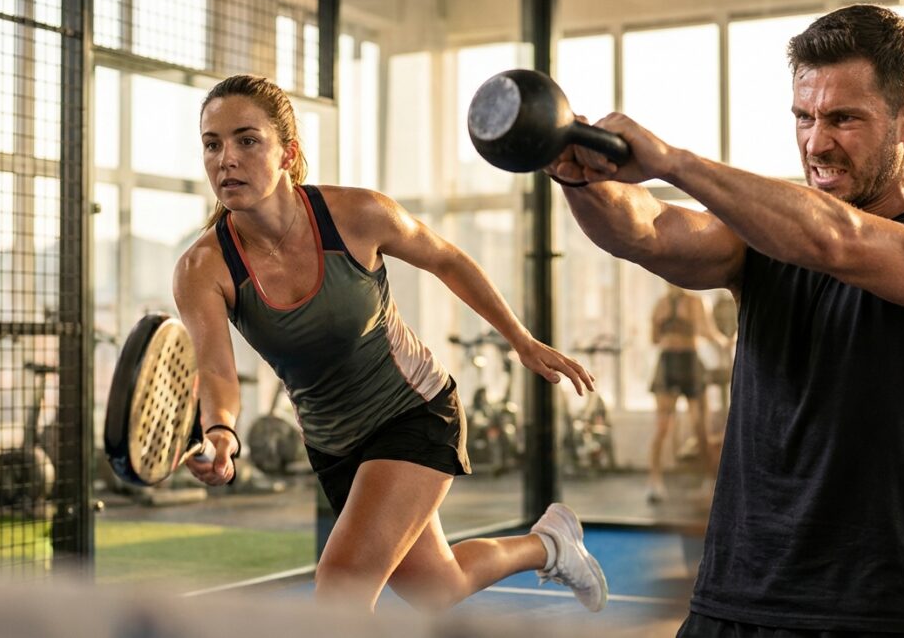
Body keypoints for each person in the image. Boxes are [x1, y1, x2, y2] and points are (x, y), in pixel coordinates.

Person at [545, 4, 904, 636]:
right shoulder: (764, 241)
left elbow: (839, 241)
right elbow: (648, 230)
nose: (817, 142)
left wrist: (674, 162)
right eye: (804, 117)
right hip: (729, 600)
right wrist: (576, 174)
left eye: (843, 118)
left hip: (869, 612)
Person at [173, 75, 607, 614]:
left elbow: (447, 259)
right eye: (212, 144)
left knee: (342, 586)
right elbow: (216, 371)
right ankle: (551, 544)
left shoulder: (357, 214)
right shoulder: (202, 267)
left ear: (288, 153)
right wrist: (220, 431)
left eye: (247, 140)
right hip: (333, 445)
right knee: (437, 587)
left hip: (413, 411)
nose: (226, 159)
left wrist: (521, 340)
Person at [646, 283, 726, 503]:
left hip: (690, 363)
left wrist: (726, 343)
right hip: (668, 363)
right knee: (662, 427)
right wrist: (662, 323)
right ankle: (654, 481)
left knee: (700, 427)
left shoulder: (696, 302)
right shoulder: (661, 304)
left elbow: (708, 332)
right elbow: (653, 339)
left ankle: (710, 481)